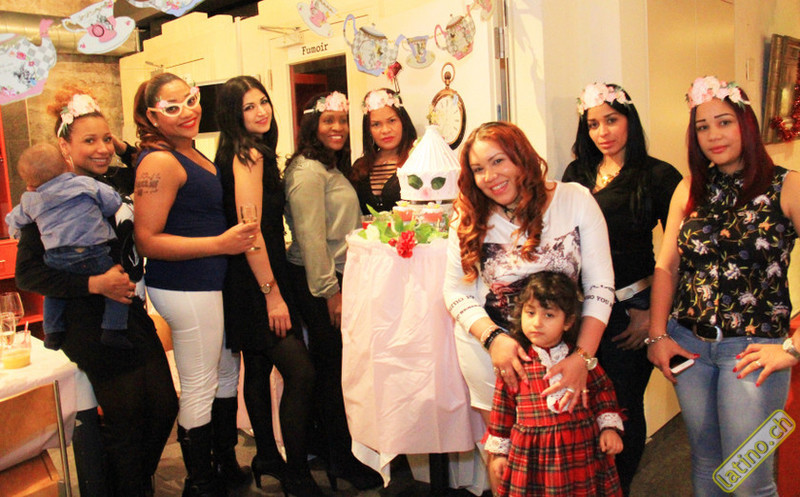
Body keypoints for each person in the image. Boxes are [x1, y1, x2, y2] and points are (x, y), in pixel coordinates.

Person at [15, 87, 178, 497]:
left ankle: (127, 485)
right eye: (89, 140)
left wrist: (117, 144)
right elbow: (28, 275)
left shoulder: (113, 183)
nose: (102, 148)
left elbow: (149, 164)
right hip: (86, 320)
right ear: (64, 147)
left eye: (107, 138)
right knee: (128, 420)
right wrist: (94, 283)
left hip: (128, 311)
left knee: (164, 407)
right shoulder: (48, 196)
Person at [647, 76, 800, 497]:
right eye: (703, 126)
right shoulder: (689, 188)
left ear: (745, 125)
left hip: (754, 352)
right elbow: (667, 266)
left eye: (724, 122)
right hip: (689, 346)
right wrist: (657, 334)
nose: (713, 135)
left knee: (749, 479)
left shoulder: (787, 185)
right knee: (707, 465)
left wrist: (792, 349)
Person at [132, 72, 258, 496]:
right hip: (185, 286)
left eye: (190, 99)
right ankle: (200, 481)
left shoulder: (188, 150)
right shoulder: (160, 161)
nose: (187, 111)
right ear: (153, 116)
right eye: (172, 107)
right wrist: (220, 243)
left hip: (208, 283)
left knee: (225, 374)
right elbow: (147, 240)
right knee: (200, 385)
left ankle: (223, 463)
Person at [561, 82, 682, 494]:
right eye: (593, 124)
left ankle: (619, 487)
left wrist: (655, 316)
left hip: (633, 309)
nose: (603, 132)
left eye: (611, 120)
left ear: (629, 119)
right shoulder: (576, 174)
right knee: (586, 405)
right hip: (582, 310)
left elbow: (682, 254)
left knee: (622, 406)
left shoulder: (659, 175)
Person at [214, 75, 325, 496]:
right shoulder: (247, 155)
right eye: (249, 106)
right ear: (233, 114)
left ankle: (266, 456)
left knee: (258, 368)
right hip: (256, 279)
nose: (262, 111)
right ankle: (296, 472)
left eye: (264, 101)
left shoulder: (241, 150)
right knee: (301, 372)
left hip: (249, 276)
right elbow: (251, 232)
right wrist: (272, 294)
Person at [284, 91, 382, 490]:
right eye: (329, 121)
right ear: (313, 124)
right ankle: (340, 461)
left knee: (339, 371)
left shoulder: (328, 166)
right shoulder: (307, 171)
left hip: (338, 277)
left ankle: (339, 455)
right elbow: (310, 239)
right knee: (332, 374)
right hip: (320, 282)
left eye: (342, 120)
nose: (337, 128)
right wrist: (330, 293)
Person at [486, 271, 623, 497]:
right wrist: (500, 455)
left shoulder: (579, 361)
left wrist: (609, 428)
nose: (537, 323)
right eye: (530, 313)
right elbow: (502, 411)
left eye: (549, 315)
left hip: (580, 454)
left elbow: (603, 391)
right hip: (533, 460)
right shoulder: (516, 363)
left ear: (568, 322)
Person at [7, 142, 131, 351]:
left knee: (54, 294)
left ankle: (52, 332)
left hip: (57, 256)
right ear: (67, 163)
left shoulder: (31, 199)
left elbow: (14, 220)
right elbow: (112, 202)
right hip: (94, 252)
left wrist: (16, 233)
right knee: (117, 285)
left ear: (30, 182)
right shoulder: (84, 184)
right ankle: (114, 329)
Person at [348, 88, 417, 213]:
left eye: (392, 121)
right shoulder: (360, 167)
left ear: (403, 122)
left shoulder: (417, 161)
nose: (385, 130)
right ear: (368, 129)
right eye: (376, 124)